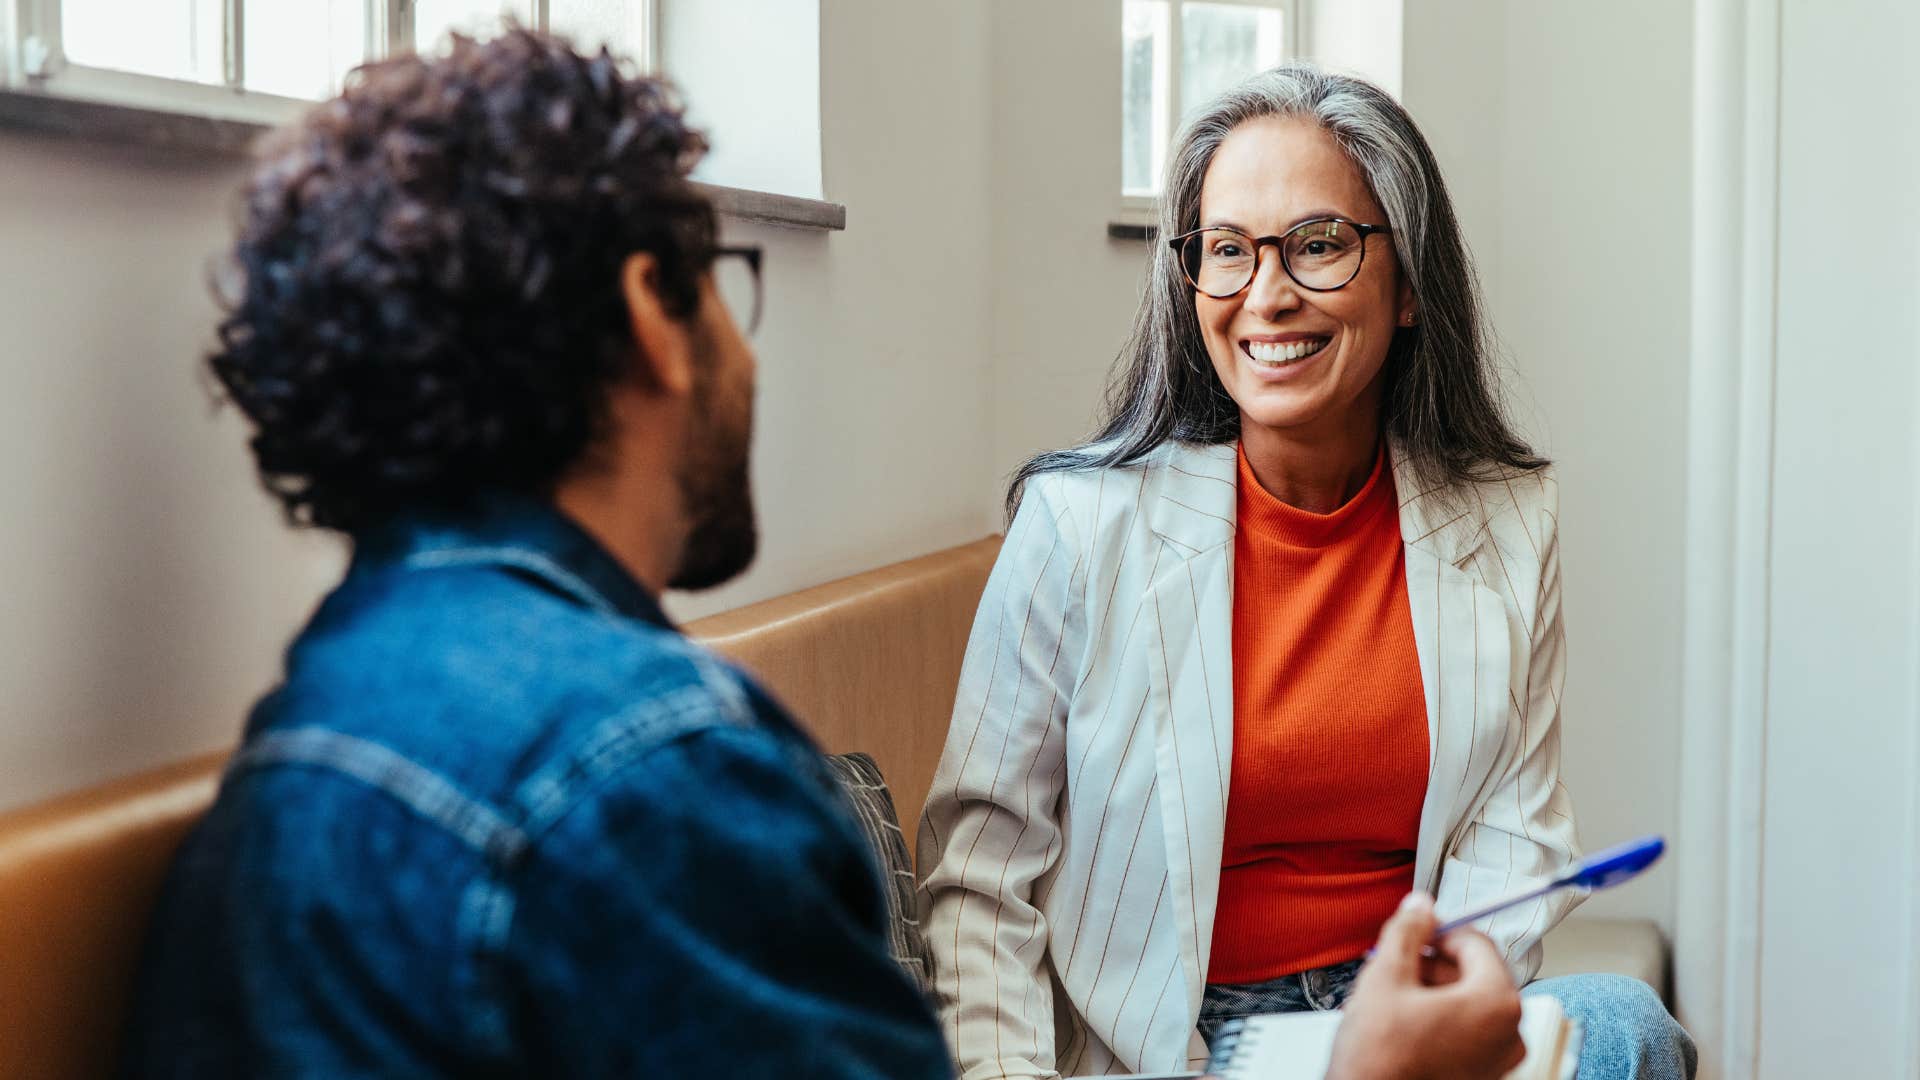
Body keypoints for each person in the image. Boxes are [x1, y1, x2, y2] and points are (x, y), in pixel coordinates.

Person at [122, 32, 1580, 1080]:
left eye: (1318, 246)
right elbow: (982, 891)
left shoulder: (301, 741)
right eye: (723, 283)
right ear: (650, 313)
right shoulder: (658, 779)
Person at [918, 63, 1696, 1079]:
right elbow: (979, 878)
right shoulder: (1077, 525)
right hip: (1186, 1044)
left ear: (1410, 282)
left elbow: (1516, 838)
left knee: (1624, 1026)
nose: (1267, 297)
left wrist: (1403, 1041)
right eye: (1227, 252)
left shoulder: (1509, 520)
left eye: (1319, 245)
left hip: (1403, 1015)